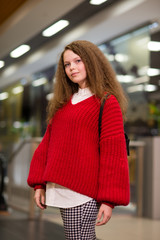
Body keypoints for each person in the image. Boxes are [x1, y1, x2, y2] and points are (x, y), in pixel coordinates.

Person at [27, 40, 130, 240]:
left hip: (83, 193)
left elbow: (113, 154)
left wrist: (109, 201)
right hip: (61, 188)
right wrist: (38, 184)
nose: (72, 67)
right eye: (67, 64)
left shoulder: (106, 102)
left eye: (78, 61)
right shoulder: (63, 104)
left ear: (92, 62)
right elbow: (46, 146)